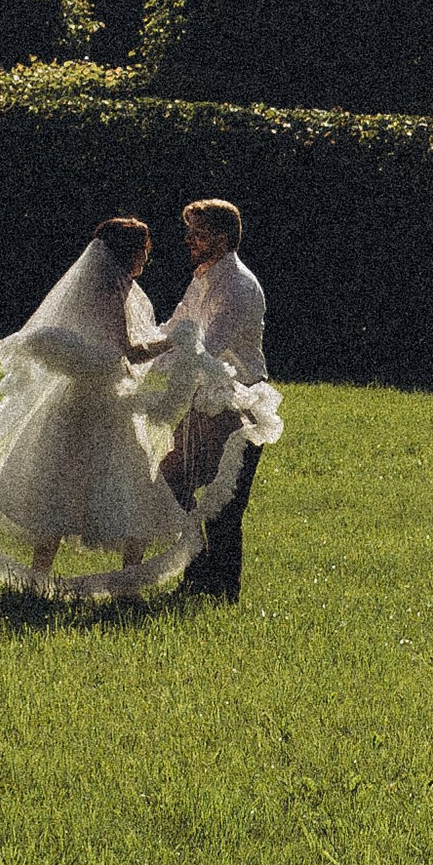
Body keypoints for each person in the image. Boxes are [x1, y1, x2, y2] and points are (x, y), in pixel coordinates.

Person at [0, 217, 217, 599]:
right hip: (102, 403)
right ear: (129, 253)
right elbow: (127, 352)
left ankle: (38, 578)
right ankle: (129, 583)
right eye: (144, 249)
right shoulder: (112, 290)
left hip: (74, 399)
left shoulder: (96, 286)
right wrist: (175, 341)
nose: (147, 256)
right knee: (135, 489)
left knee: (62, 489)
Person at [162, 197, 279, 604]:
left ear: (224, 238)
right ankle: (197, 578)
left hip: (240, 404)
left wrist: (156, 365)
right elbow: (175, 329)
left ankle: (222, 593)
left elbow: (205, 350)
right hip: (206, 400)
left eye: (198, 233)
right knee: (171, 482)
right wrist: (132, 355)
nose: (189, 239)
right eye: (190, 231)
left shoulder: (239, 287)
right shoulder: (202, 279)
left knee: (224, 507)